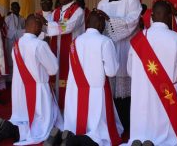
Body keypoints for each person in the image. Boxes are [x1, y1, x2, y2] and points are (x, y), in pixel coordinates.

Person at [123, 0, 177, 146]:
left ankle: (140, 138)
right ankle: (164, 141)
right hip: (167, 94)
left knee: (142, 123)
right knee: (169, 133)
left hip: (142, 93)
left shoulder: (137, 40)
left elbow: (130, 71)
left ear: (151, 16)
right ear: (170, 16)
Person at [45, 11, 123, 146]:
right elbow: (111, 72)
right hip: (97, 91)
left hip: (75, 91)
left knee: (77, 125)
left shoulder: (75, 42)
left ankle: (66, 136)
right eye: (103, 23)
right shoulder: (105, 41)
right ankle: (81, 139)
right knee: (100, 134)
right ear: (99, 23)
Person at [0, 14, 64, 146]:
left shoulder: (17, 44)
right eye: (40, 25)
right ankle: (16, 130)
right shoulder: (39, 45)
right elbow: (53, 69)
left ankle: (7, 128)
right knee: (43, 124)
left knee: (24, 118)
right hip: (37, 90)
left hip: (20, 89)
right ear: (36, 25)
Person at [97, 0, 142, 132]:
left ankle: (130, 125)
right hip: (109, 47)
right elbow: (99, 27)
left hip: (127, 47)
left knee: (126, 89)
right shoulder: (102, 3)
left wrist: (109, 20)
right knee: (112, 88)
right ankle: (115, 124)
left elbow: (132, 22)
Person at [47, 0, 85, 109]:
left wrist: (47, 24)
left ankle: (70, 108)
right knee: (55, 75)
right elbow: (47, 27)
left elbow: (68, 26)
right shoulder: (56, 11)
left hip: (70, 50)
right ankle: (56, 107)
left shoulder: (78, 10)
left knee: (69, 76)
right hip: (55, 49)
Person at [5, 2, 25, 74]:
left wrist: (19, 33)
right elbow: (5, 29)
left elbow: (24, 28)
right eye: (14, 7)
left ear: (19, 8)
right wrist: (14, 33)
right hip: (10, 40)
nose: (16, 9)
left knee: (18, 56)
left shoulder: (22, 19)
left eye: (17, 7)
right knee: (10, 56)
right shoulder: (8, 18)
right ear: (11, 9)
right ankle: (9, 77)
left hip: (19, 40)